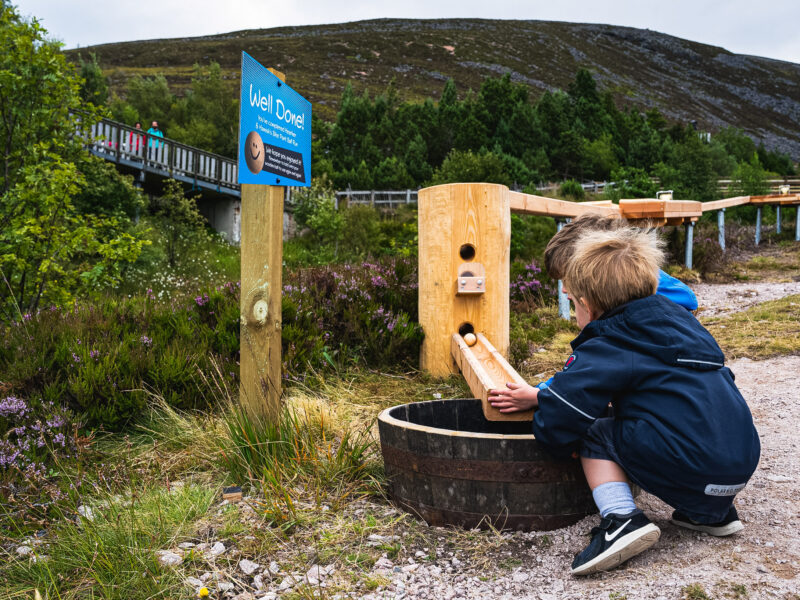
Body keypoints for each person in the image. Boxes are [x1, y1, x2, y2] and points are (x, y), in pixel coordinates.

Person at [488, 227, 760, 576]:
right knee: (669, 416)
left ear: (586, 304)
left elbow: (567, 407)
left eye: (573, 304)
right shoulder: (682, 325)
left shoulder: (611, 340)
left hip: (690, 460)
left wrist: (556, 440)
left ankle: (621, 520)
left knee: (595, 433)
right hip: (739, 461)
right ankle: (710, 514)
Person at [534, 211, 698, 391]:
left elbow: (595, 365)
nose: (564, 289)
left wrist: (544, 392)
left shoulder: (631, 310)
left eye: (569, 278)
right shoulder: (649, 292)